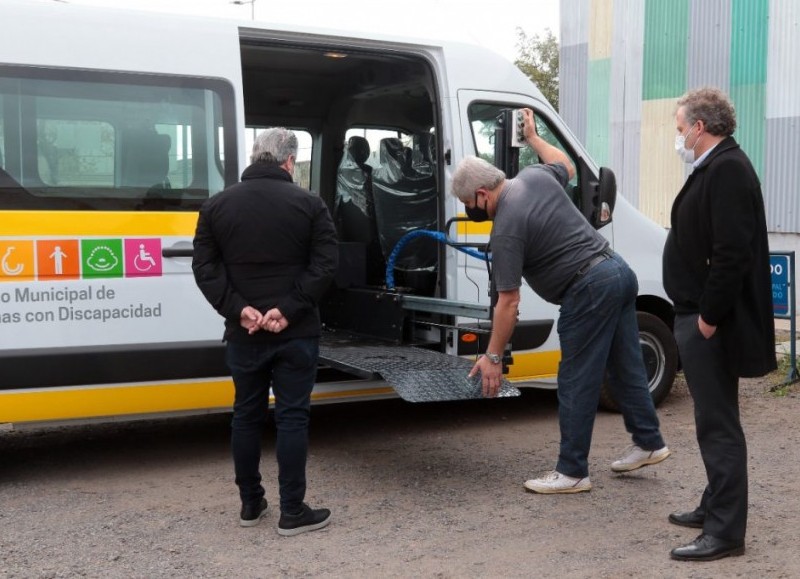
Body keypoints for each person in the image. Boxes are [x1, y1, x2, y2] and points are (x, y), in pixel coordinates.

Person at [451, 109, 670, 494]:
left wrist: (494, 356)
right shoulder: (534, 177)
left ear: (482, 194)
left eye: (470, 203)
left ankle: (572, 471)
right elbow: (565, 164)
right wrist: (534, 137)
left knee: (575, 379)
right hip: (617, 270)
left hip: (586, 288)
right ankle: (649, 442)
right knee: (626, 365)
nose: (471, 210)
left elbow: (509, 302)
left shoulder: (506, 229)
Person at [192, 128, 338, 536]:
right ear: (290, 162)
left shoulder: (217, 206)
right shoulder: (310, 205)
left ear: (256, 156)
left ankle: (250, 504)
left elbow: (205, 269)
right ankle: (293, 511)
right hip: (296, 333)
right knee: (292, 418)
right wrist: (286, 311)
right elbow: (325, 266)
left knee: (246, 416)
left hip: (244, 335)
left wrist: (240, 312)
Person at [664, 87, 776, 561]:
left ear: (700, 127)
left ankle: (726, 532)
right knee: (712, 419)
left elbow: (732, 252)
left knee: (718, 427)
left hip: (711, 321)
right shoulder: (716, 164)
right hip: (698, 313)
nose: (679, 136)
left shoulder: (726, 168)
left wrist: (708, 318)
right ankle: (715, 505)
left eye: (679, 128)